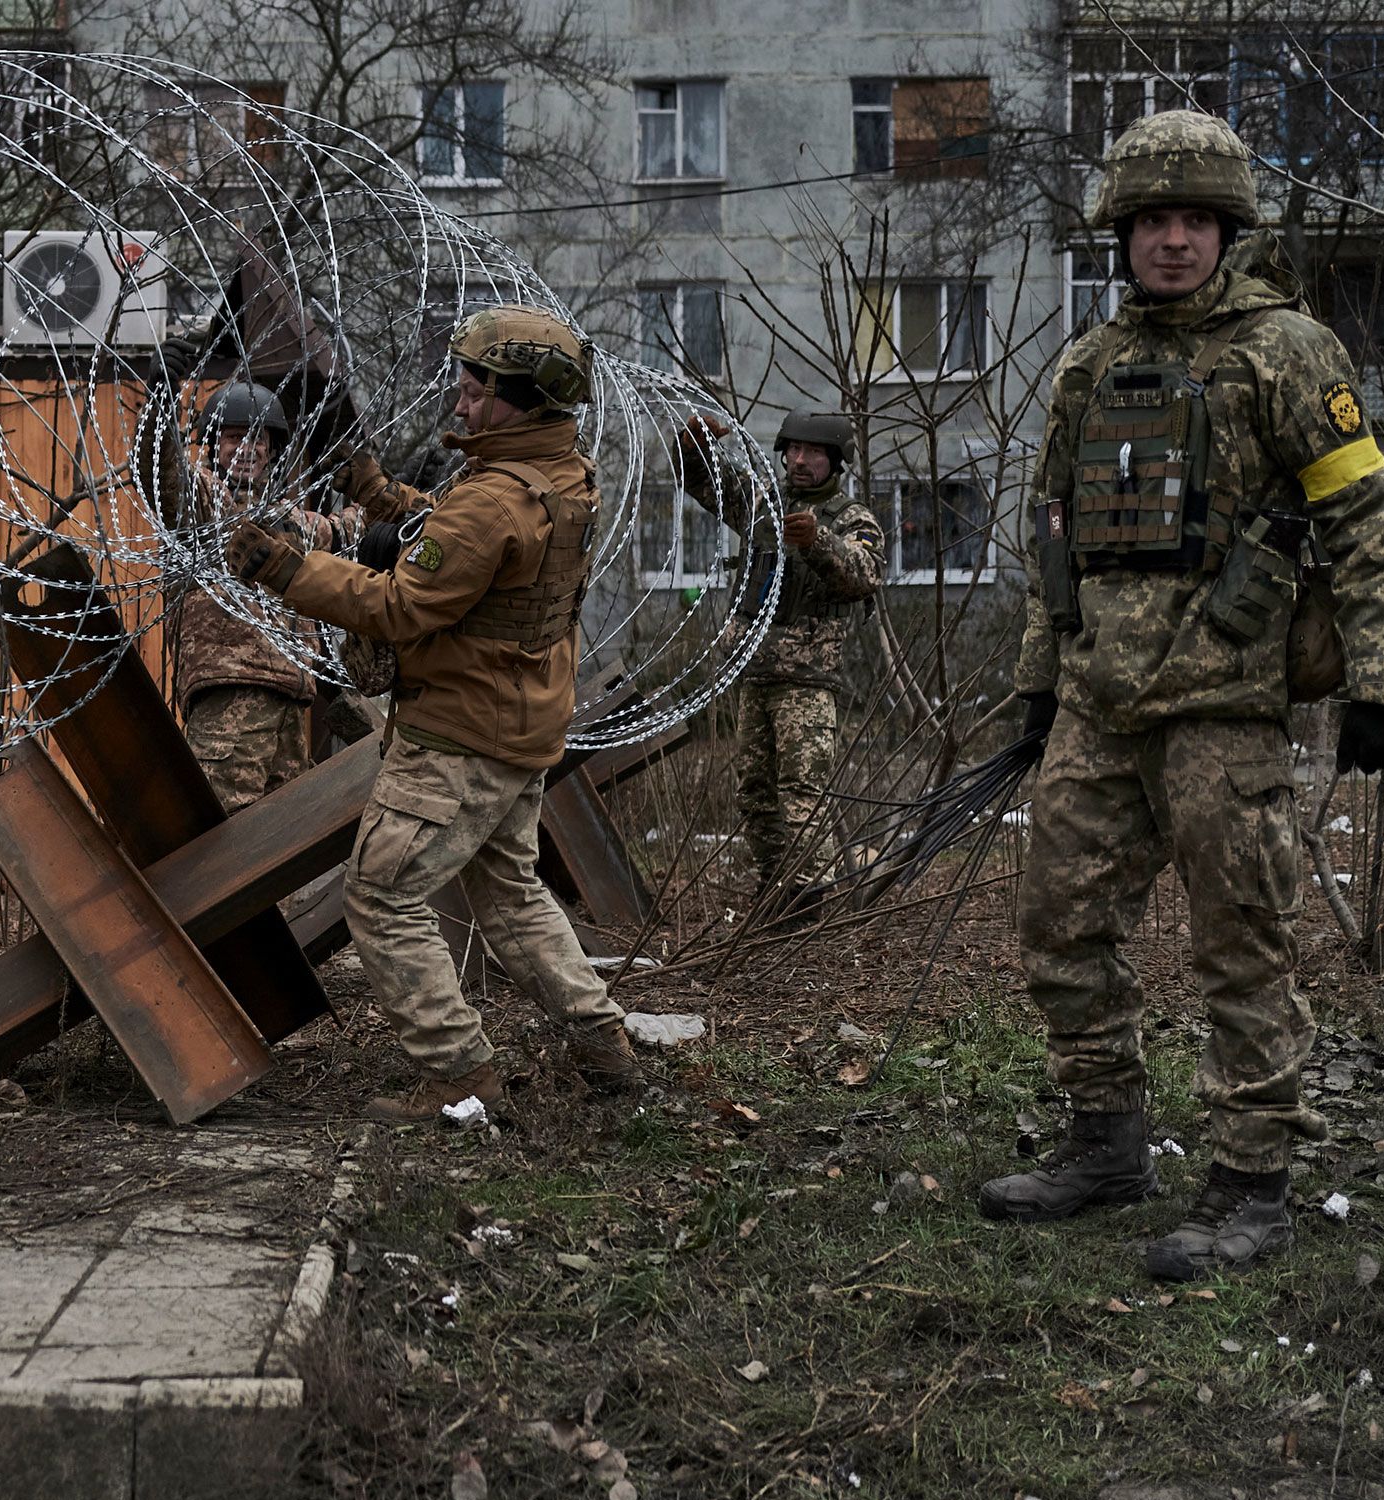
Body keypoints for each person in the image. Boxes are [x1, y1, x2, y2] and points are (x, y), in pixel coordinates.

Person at [977, 112, 1384, 1281]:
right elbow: (1055, 542)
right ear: (1121, 234)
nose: (1173, 241)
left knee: (1242, 946)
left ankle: (1252, 1185)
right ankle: (1106, 1147)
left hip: (1224, 706)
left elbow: (1371, 521)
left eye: (1195, 222)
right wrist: (1037, 687)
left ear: (1227, 232)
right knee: (1058, 929)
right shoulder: (1087, 363)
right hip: (1098, 702)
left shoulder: (1288, 352)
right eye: (1152, 221)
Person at [226, 306, 641, 1119]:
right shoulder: (560, 475)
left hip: (457, 736)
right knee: (513, 896)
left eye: (478, 388)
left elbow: (399, 605)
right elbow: (457, 542)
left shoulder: (491, 501)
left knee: (381, 895)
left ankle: (458, 1074)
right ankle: (604, 1044)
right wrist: (379, 494)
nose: (460, 397)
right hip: (518, 727)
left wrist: (288, 570)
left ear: (521, 398)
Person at [674, 411, 886, 886]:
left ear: (835, 461)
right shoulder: (767, 504)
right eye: (793, 450)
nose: (800, 460)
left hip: (807, 681)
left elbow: (865, 574)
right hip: (755, 670)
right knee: (755, 794)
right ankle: (776, 890)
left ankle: (810, 896)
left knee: (803, 796)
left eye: (812, 453)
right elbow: (708, 484)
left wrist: (818, 542)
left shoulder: (852, 518)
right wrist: (692, 445)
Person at [162, 382, 354, 812]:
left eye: (259, 439)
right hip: (232, 696)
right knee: (227, 832)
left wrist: (398, 490)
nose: (248, 448)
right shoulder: (205, 503)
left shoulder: (292, 521)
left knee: (283, 841)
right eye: (234, 437)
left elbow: (349, 529)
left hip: (290, 702)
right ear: (214, 444)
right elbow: (164, 475)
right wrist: (160, 404)